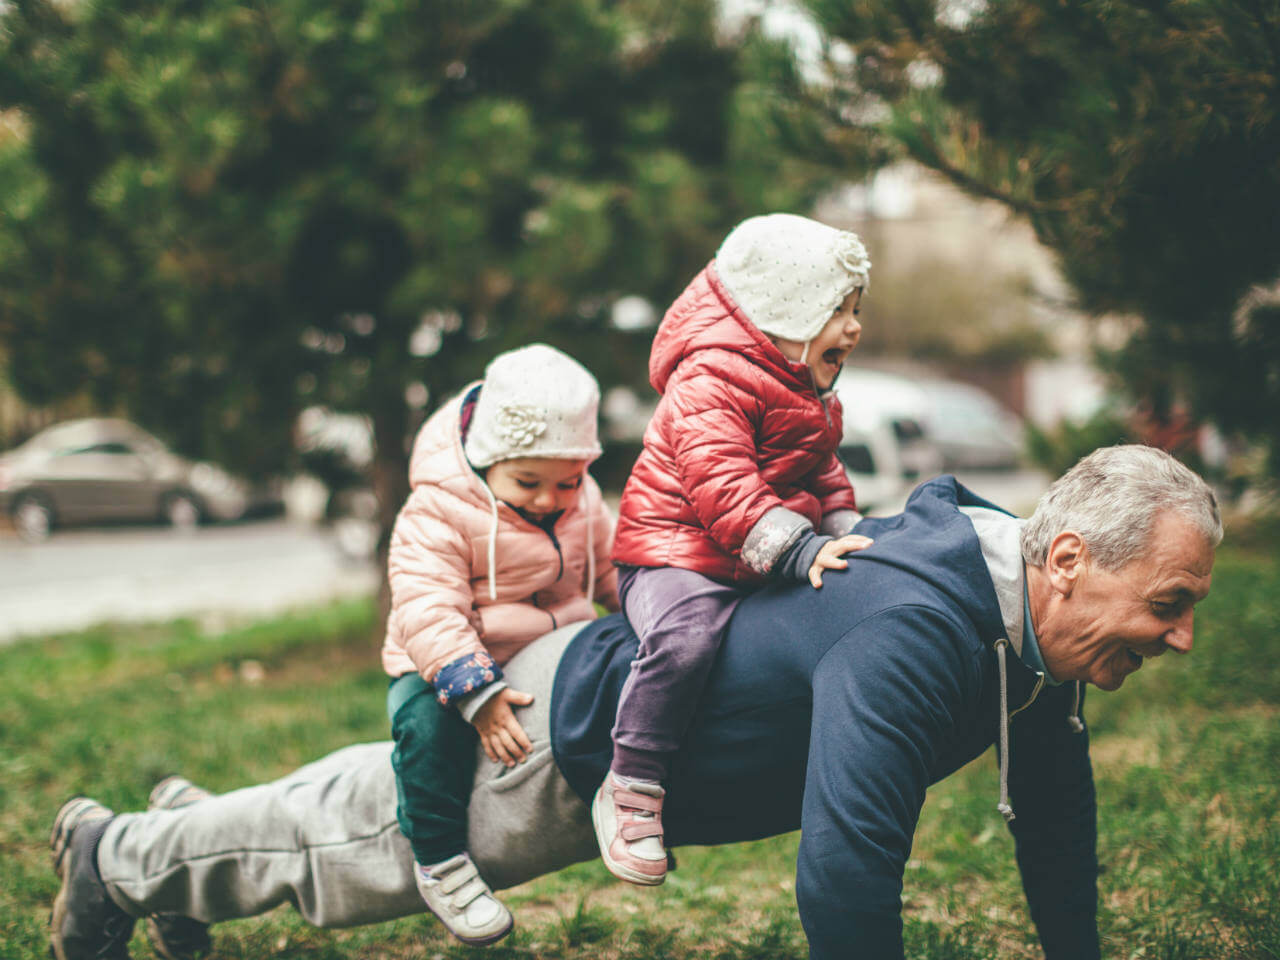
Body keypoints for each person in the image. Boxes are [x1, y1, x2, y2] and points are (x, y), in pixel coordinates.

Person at [48, 445, 1220, 960]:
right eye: (1167, 603)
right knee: (360, 851)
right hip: (574, 744)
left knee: (349, 810)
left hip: (600, 704)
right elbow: (848, 868)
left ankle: (185, 835)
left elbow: (1055, 814)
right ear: (1063, 559)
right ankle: (117, 856)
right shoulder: (919, 623)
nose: (1177, 636)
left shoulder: (1026, 630)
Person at [597, 213, 876, 884]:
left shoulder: (805, 385)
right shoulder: (711, 381)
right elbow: (722, 488)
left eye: (856, 308)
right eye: (836, 309)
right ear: (786, 310)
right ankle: (632, 781)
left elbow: (821, 466)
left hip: (752, 549)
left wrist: (842, 527)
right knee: (688, 636)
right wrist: (799, 550)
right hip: (674, 551)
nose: (854, 325)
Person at [380, 343, 618, 945]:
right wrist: (476, 692)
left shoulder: (582, 500)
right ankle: (440, 861)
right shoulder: (437, 510)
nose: (547, 499)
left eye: (567, 482)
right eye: (527, 481)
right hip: (443, 660)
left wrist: (652, 605)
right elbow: (427, 608)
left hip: (550, 646)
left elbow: (614, 569)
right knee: (426, 736)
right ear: (487, 458)